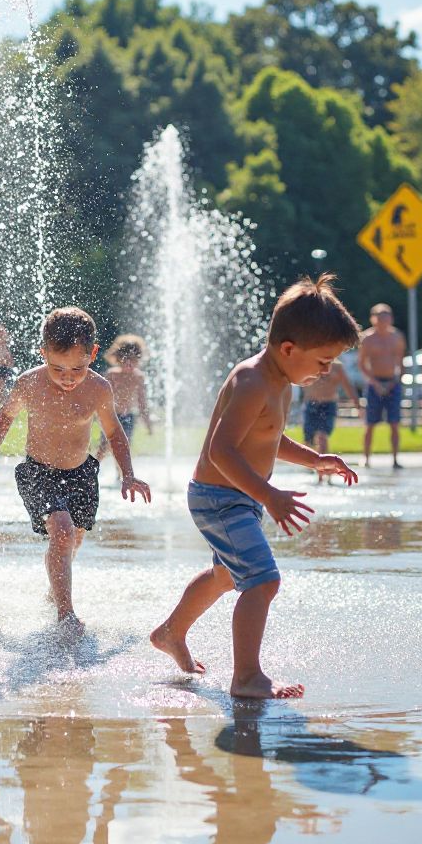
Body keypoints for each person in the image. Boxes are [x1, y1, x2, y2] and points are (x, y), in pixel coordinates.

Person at [150, 274, 360, 699]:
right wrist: (270, 495)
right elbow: (220, 452)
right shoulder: (253, 382)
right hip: (221, 498)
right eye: (323, 361)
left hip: (236, 498)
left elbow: (267, 437)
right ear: (289, 348)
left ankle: (171, 633)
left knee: (226, 575)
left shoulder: (280, 382)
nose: (326, 372)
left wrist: (314, 459)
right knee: (262, 581)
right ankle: (246, 677)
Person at [0, 306, 151, 635]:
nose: (66, 376)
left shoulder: (98, 389)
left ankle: (55, 588)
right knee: (62, 532)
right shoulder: (29, 384)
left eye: (76, 368)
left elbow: (115, 434)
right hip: (39, 472)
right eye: (57, 367)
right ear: (43, 353)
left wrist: (128, 474)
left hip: (81, 474)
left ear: (92, 354)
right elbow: (5, 417)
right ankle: (66, 613)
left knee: (73, 540)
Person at [358, 303, 406, 468]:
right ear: (373, 319)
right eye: (379, 318)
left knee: (394, 423)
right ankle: (366, 457)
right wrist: (375, 383)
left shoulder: (397, 337)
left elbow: (401, 362)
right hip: (374, 383)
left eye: (386, 317)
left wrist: (396, 381)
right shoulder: (368, 338)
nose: (383, 321)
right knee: (370, 424)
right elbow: (362, 364)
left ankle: (395, 459)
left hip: (393, 382)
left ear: (391, 319)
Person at [96, 333, 152, 467]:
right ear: (117, 358)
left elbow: (142, 401)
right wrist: (98, 414)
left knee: (124, 447)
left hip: (128, 417)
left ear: (138, 360)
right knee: (105, 445)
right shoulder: (112, 375)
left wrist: (147, 421)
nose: (128, 364)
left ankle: (120, 475)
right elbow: (101, 397)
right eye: (125, 359)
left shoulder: (138, 377)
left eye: (133, 360)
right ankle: (93, 468)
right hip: (112, 416)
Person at [300, 360, 357, 480]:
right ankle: (317, 467)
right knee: (308, 440)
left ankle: (323, 473)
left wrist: (357, 405)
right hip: (311, 403)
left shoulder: (337, 367)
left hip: (328, 404)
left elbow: (347, 385)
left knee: (322, 436)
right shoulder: (310, 361)